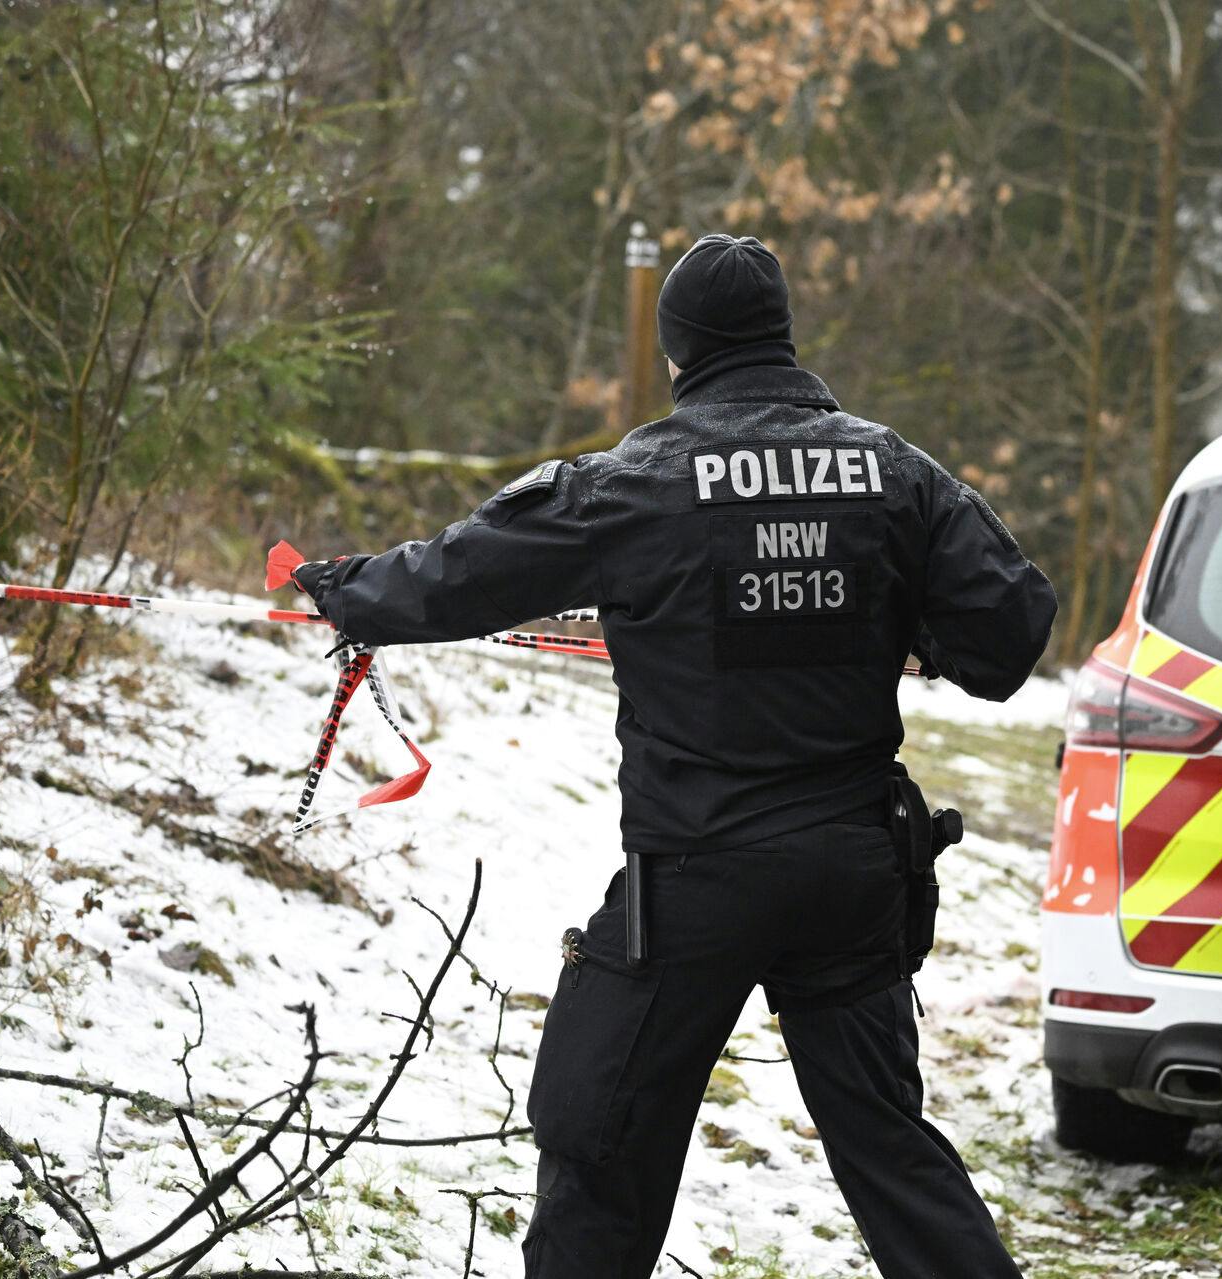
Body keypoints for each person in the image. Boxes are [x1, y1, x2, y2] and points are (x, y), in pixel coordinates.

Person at [292, 233, 1054, 1278]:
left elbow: (473, 569)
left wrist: (349, 590)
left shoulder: (641, 479)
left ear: (679, 352)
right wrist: (908, 627)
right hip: (852, 871)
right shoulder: (893, 472)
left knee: (599, 1141)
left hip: (699, 878)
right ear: (784, 336)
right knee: (892, 1154)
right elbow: (1010, 637)